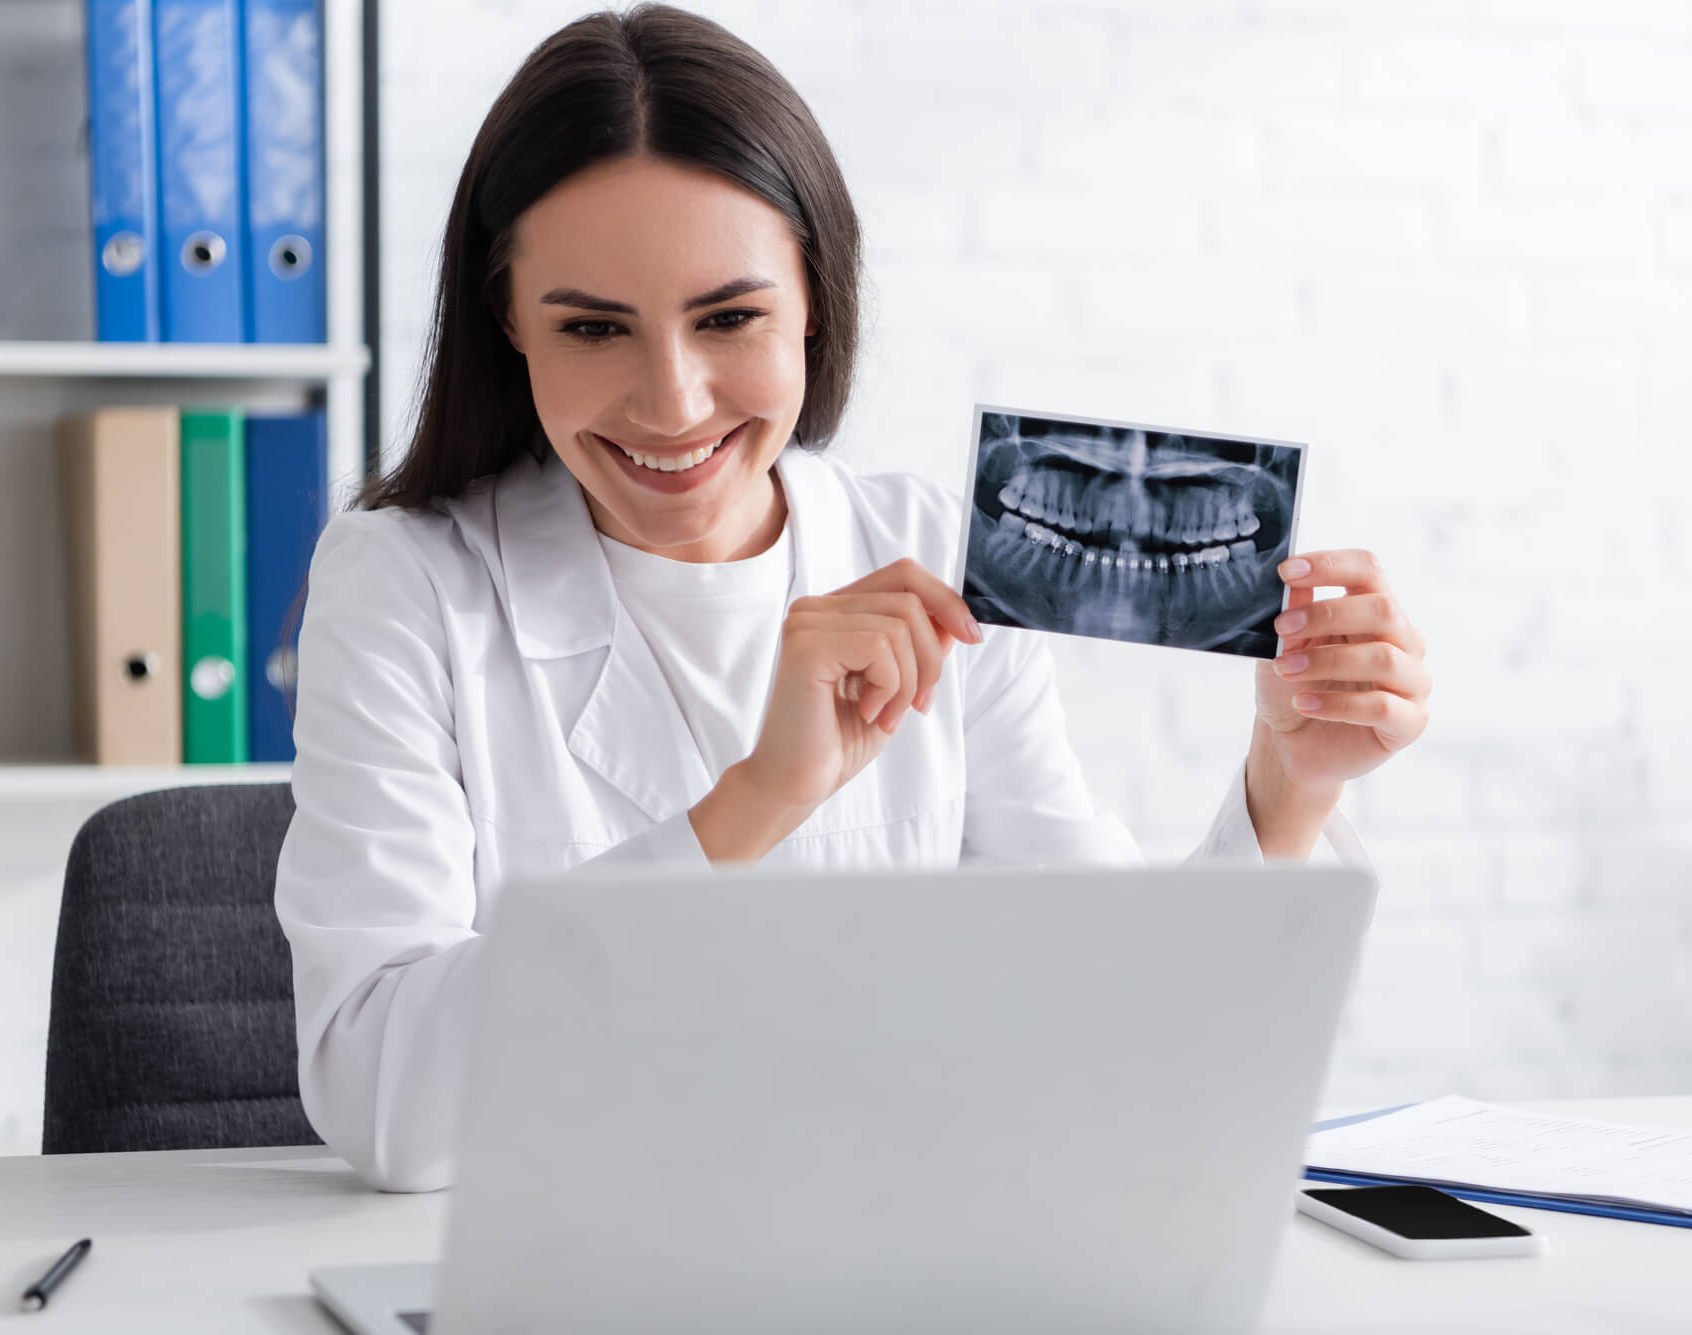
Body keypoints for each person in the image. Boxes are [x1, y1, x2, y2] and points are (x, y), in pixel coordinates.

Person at [274, 3, 1433, 1194]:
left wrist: (1287, 792)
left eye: (729, 318)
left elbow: (1109, 1042)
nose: (671, 402)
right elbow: (386, 1107)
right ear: (508, 318)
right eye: (592, 328)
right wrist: (753, 805)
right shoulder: (404, 583)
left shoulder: (929, 551)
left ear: (815, 299)